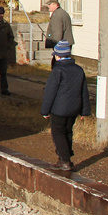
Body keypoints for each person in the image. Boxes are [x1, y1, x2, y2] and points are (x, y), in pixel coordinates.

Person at [41, 40, 90, 171]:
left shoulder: (58, 71)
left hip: (59, 109)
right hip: (74, 108)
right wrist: (84, 111)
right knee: (68, 132)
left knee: (58, 133)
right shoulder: (79, 70)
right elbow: (84, 91)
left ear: (57, 56)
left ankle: (65, 160)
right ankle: (64, 157)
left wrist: (45, 111)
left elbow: (50, 92)